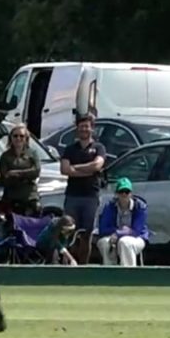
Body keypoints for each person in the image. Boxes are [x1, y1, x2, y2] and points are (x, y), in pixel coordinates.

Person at [59, 112, 106, 263]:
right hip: (73, 195)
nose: (84, 129)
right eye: (81, 126)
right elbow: (65, 170)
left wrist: (76, 168)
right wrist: (89, 170)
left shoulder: (99, 148)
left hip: (90, 196)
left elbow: (98, 165)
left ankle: (83, 266)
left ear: (92, 128)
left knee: (87, 234)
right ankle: (69, 264)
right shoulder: (70, 149)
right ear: (77, 128)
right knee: (69, 232)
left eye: (87, 126)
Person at [95, 177, 149, 266]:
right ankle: (109, 274)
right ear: (116, 194)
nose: (124, 194)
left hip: (137, 238)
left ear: (131, 194)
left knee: (125, 242)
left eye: (127, 192)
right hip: (112, 236)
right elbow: (103, 229)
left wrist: (118, 233)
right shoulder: (109, 206)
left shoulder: (140, 207)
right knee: (104, 243)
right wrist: (118, 232)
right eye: (121, 192)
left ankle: (127, 275)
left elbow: (136, 231)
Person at [0, 123, 41, 216]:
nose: (18, 138)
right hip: (11, 199)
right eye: (15, 136)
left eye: (22, 136)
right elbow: (5, 178)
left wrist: (15, 173)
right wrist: (27, 176)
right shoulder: (5, 156)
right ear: (11, 138)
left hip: (30, 198)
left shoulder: (32, 153)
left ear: (26, 138)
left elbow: (36, 171)